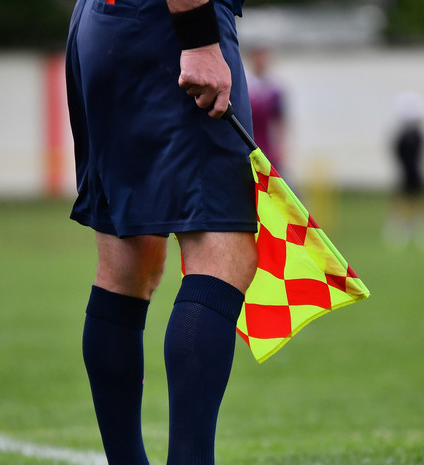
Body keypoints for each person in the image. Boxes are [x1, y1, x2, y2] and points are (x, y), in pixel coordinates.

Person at [64, 0, 258, 464]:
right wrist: (198, 38)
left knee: (129, 263)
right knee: (225, 254)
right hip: (165, 27)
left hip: (101, 24)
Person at [383, 91, 424, 249]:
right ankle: (398, 227)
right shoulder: (404, 135)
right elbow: (397, 151)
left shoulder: (418, 134)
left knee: (419, 199)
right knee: (401, 198)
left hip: (416, 171)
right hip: (405, 171)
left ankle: (423, 227)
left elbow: (422, 151)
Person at [246, 47, 286, 172]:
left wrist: (280, 148)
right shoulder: (246, 86)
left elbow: (279, 121)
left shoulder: (274, 89)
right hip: (248, 141)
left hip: (267, 145)